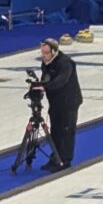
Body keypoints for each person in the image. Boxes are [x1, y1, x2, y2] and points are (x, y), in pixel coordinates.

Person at [38, 38, 82, 172]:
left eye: (46, 53)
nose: (44, 56)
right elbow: (46, 78)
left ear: (54, 51)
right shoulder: (45, 63)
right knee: (55, 131)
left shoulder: (66, 63)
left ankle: (65, 160)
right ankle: (55, 158)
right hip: (55, 102)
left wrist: (45, 87)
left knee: (66, 131)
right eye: (42, 53)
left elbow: (61, 81)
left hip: (69, 102)